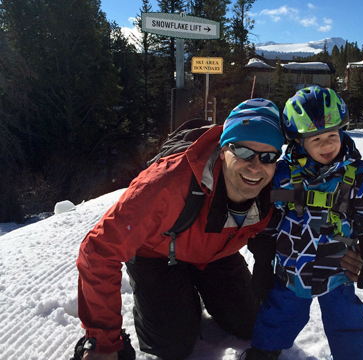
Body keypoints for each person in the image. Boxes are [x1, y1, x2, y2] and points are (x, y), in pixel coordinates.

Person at [75, 98, 287, 360]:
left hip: (215, 254)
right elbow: (98, 250)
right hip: (158, 254)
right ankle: (176, 298)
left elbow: (313, 220)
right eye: (243, 151)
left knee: (251, 323)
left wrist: (349, 253)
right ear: (223, 150)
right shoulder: (167, 183)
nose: (255, 166)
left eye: (267, 156)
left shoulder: (275, 188)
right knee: (172, 346)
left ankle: (194, 289)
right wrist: (102, 341)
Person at [244, 86, 363, 360]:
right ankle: (265, 349)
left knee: (347, 319)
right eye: (316, 138)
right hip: (291, 266)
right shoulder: (283, 175)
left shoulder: (360, 175)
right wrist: (262, 260)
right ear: (298, 142)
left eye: (332, 135)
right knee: (280, 311)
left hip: (338, 267)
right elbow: (269, 218)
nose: (327, 145)